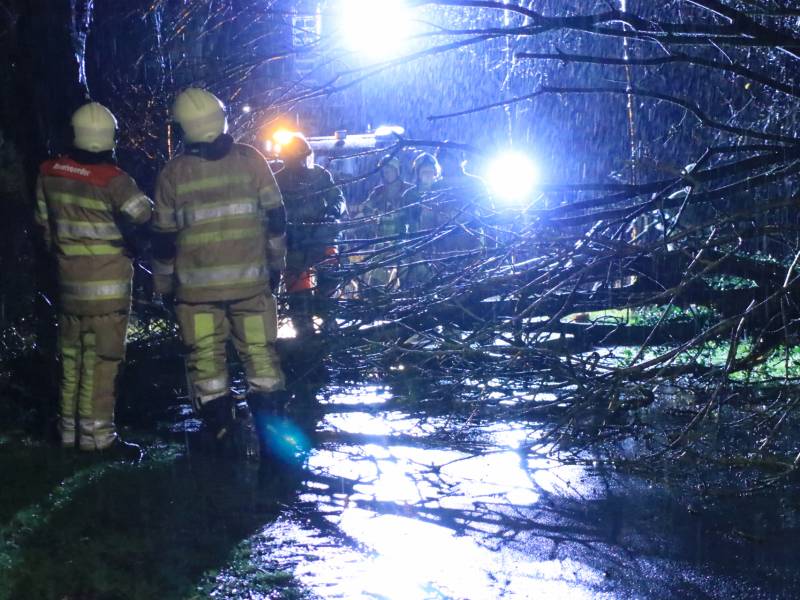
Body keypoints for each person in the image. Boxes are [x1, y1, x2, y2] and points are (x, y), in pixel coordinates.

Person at [151, 88, 288, 456]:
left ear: (183, 128)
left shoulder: (173, 174)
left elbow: (163, 240)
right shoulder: (251, 160)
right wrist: (276, 266)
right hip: (250, 287)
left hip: (196, 297)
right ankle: (271, 433)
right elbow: (277, 219)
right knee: (260, 355)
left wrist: (163, 285)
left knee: (206, 361)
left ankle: (221, 434)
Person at [34, 102, 152, 458]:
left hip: (69, 286)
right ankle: (98, 439)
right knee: (102, 364)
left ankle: (68, 432)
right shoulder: (114, 180)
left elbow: (44, 227)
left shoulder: (49, 173)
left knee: (71, 362)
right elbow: (144, 215)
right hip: (108, 291)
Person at [274, 133, 345, 338]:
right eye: (298, 159)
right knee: (298, 294)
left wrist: (332, 214)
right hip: (294, 242)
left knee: (329, 283)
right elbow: (271, 209)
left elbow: (337, 198)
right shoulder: (278, 180)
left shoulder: (319, 175)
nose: (303, 163)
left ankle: (329, 322)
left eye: (304, 158)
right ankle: (305, 332)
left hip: (321, 238)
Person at [357, 154, 413, 288]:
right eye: (385, 171)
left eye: (390, 169)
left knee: (406, 278)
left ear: (397, 171)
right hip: (382, 241)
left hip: (403, 239)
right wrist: (367, 211)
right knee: (376, 281)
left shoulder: (408, 190)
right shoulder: (378, 192)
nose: (387, 173)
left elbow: (414, 213)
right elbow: (366, 209)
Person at [430, 144, 491, 253]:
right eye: (442, 160)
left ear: (457, 160)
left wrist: (491, 245)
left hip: (472, 240)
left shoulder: (474, 183)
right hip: (444, 243)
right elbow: (431, 217)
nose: (445, 163)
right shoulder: (436, 186)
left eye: (448, 159)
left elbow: (488, 213)